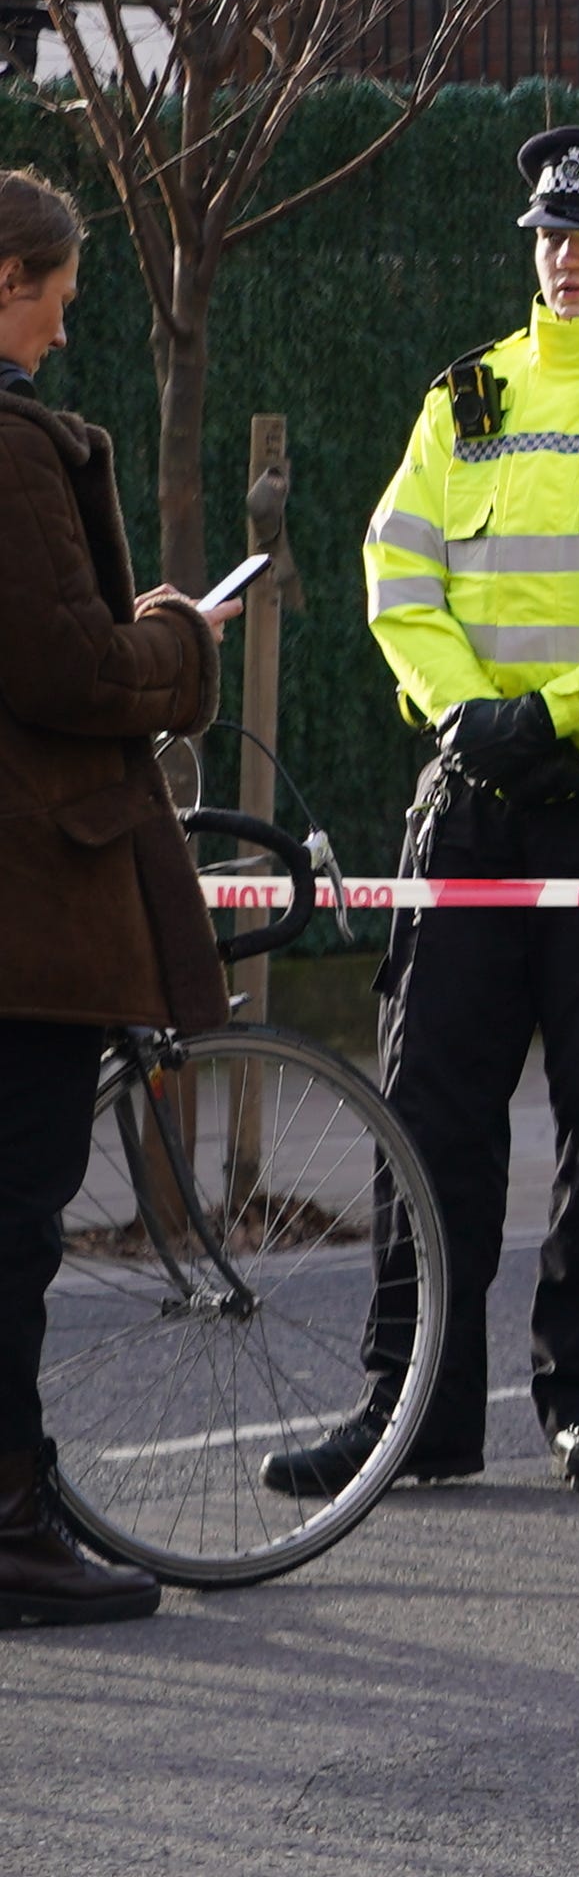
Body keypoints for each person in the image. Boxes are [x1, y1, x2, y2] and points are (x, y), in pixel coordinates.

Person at [270, 126, 579, 1503]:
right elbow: (400, 572)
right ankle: (413, 1411)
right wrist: (463, 717)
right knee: (427, 1103)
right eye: (550, 237)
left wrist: (557, 719)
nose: (564, 259)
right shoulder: (470, 395)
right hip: (475, 796)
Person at [0, 165, 248, 1630]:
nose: (63, 334)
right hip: (30, 904)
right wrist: (176, 633)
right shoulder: (11, 447)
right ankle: (14, 1524)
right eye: (57, 301)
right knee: (12, 1222)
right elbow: (69, 672)